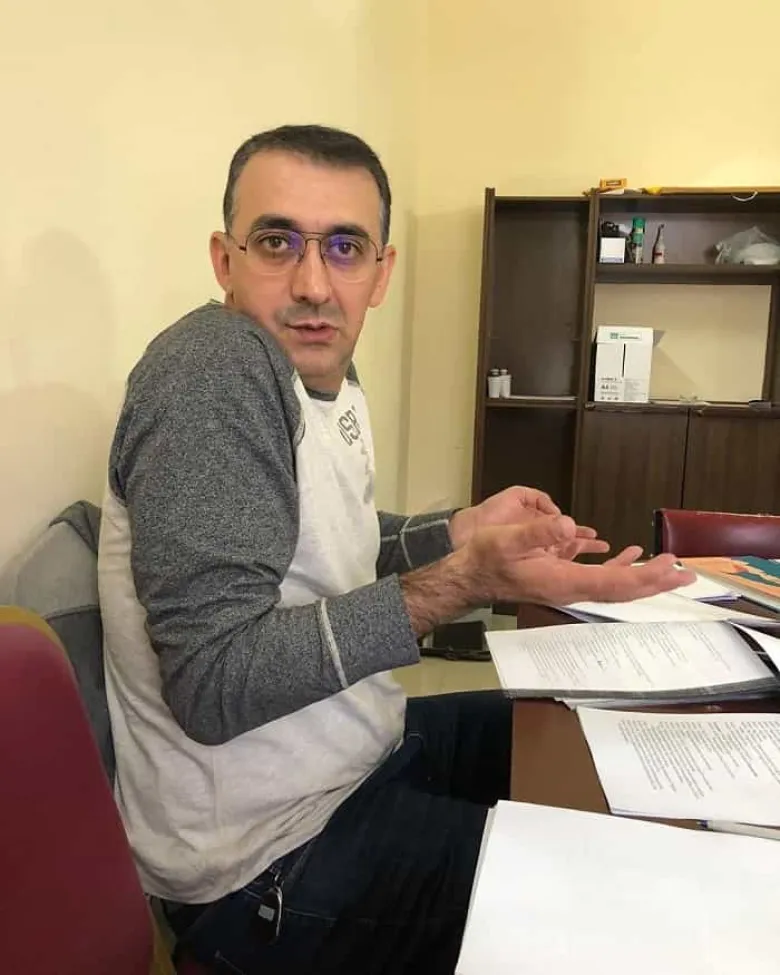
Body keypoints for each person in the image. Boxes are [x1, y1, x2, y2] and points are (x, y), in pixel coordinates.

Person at [98, 124, 691, 975]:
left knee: (581, 734)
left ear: (382, 272)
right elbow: (214, 684)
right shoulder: (215, 372)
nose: (313, 283)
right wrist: (458, 582)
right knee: (610, 889)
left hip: (360, 755)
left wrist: (459, 531)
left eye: (344, 247)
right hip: (268, 863)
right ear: (225, 260)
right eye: (277, 242)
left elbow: (320, 541)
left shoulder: (323, 375)